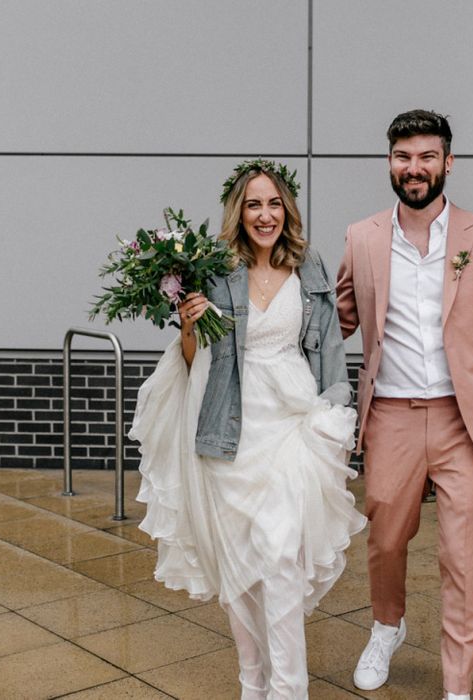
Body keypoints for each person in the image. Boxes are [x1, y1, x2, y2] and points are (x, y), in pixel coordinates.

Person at [130, 158, 367, 700]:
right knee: (239, 570)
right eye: (254, 204)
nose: (265, 215)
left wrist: (336, 415)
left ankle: (290, 691)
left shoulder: (310, 268)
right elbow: (195, 361)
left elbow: (330, 352)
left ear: (288, 209)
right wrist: (189, 326)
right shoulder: (214, 271)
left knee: (281, 557)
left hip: (293, 427)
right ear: (239, 213)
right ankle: (252, 685)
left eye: (274, 203)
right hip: (229, 429)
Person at [336, 109, 473, 699]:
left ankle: (457, 686)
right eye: (403, 157)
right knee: (386, 541)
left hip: (467, 422)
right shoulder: (362, 236)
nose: (414, 168)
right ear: (389, 164)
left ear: (448, 162)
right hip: (391, 416)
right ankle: (387, 625)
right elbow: (335, 322)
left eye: (426, 157)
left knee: (465, 557)